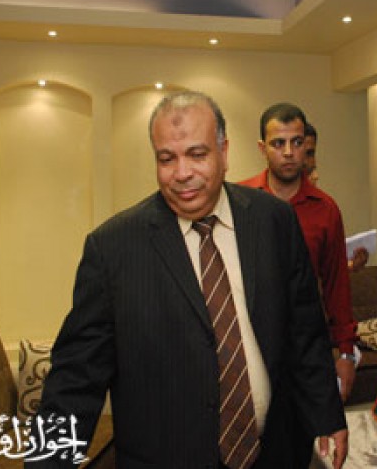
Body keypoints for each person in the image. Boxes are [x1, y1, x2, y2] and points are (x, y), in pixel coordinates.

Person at [27, 92, 348, 468]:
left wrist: (327, 416)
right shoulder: (113, 249)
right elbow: (75, 379)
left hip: (276, 454)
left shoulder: (274, 221)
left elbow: (305, 332)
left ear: (224, 152)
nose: (182, 173)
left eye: (197, 154)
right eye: (167, 158)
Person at [240, 103, 356, 467]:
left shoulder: (325, 209)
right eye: (279, 143)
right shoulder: (240, 201)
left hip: (303, 351)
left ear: (307, 144)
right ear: (262, 148)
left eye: (297, 142)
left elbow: (336, 286)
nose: (289, 152)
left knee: (293, 451)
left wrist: (346, 353)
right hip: (247, 347)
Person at [302, 121, 369, 272]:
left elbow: (324, 269)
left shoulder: (327, 209)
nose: (307, 162)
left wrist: (350, 265)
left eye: (310, 153)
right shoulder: (263, 204)